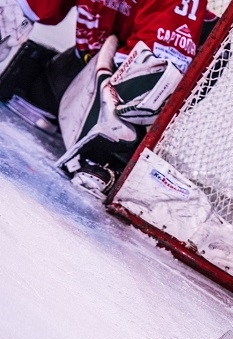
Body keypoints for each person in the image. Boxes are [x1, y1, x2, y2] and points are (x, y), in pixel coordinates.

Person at [0, 0, 215, 196]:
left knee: (145, 87)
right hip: (92, 58)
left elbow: (148, 75)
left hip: (138, 75)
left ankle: (115, 151)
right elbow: (20, 9)